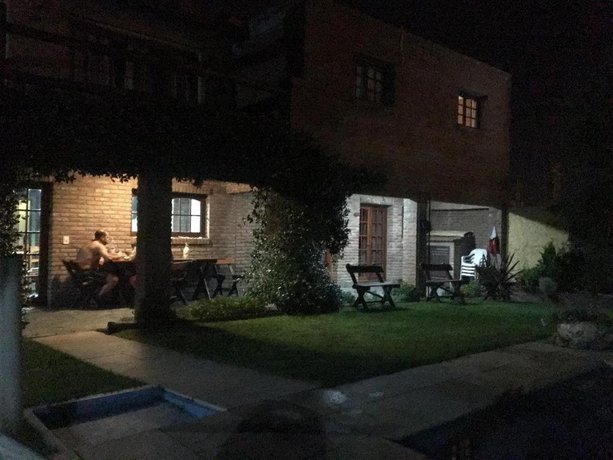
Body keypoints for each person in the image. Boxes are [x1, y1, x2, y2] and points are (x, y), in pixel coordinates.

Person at [76, 229, 125, 301]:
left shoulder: (89, 244)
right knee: (114, 279)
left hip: (80, 272)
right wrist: (119, 256)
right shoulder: (99, 246)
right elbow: (107, 259)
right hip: (88, 273)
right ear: (102, 237)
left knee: (107, 272)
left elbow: (102, 256)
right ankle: (97, 298)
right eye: (107, 237)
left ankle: (102, 297)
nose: (108, 239)